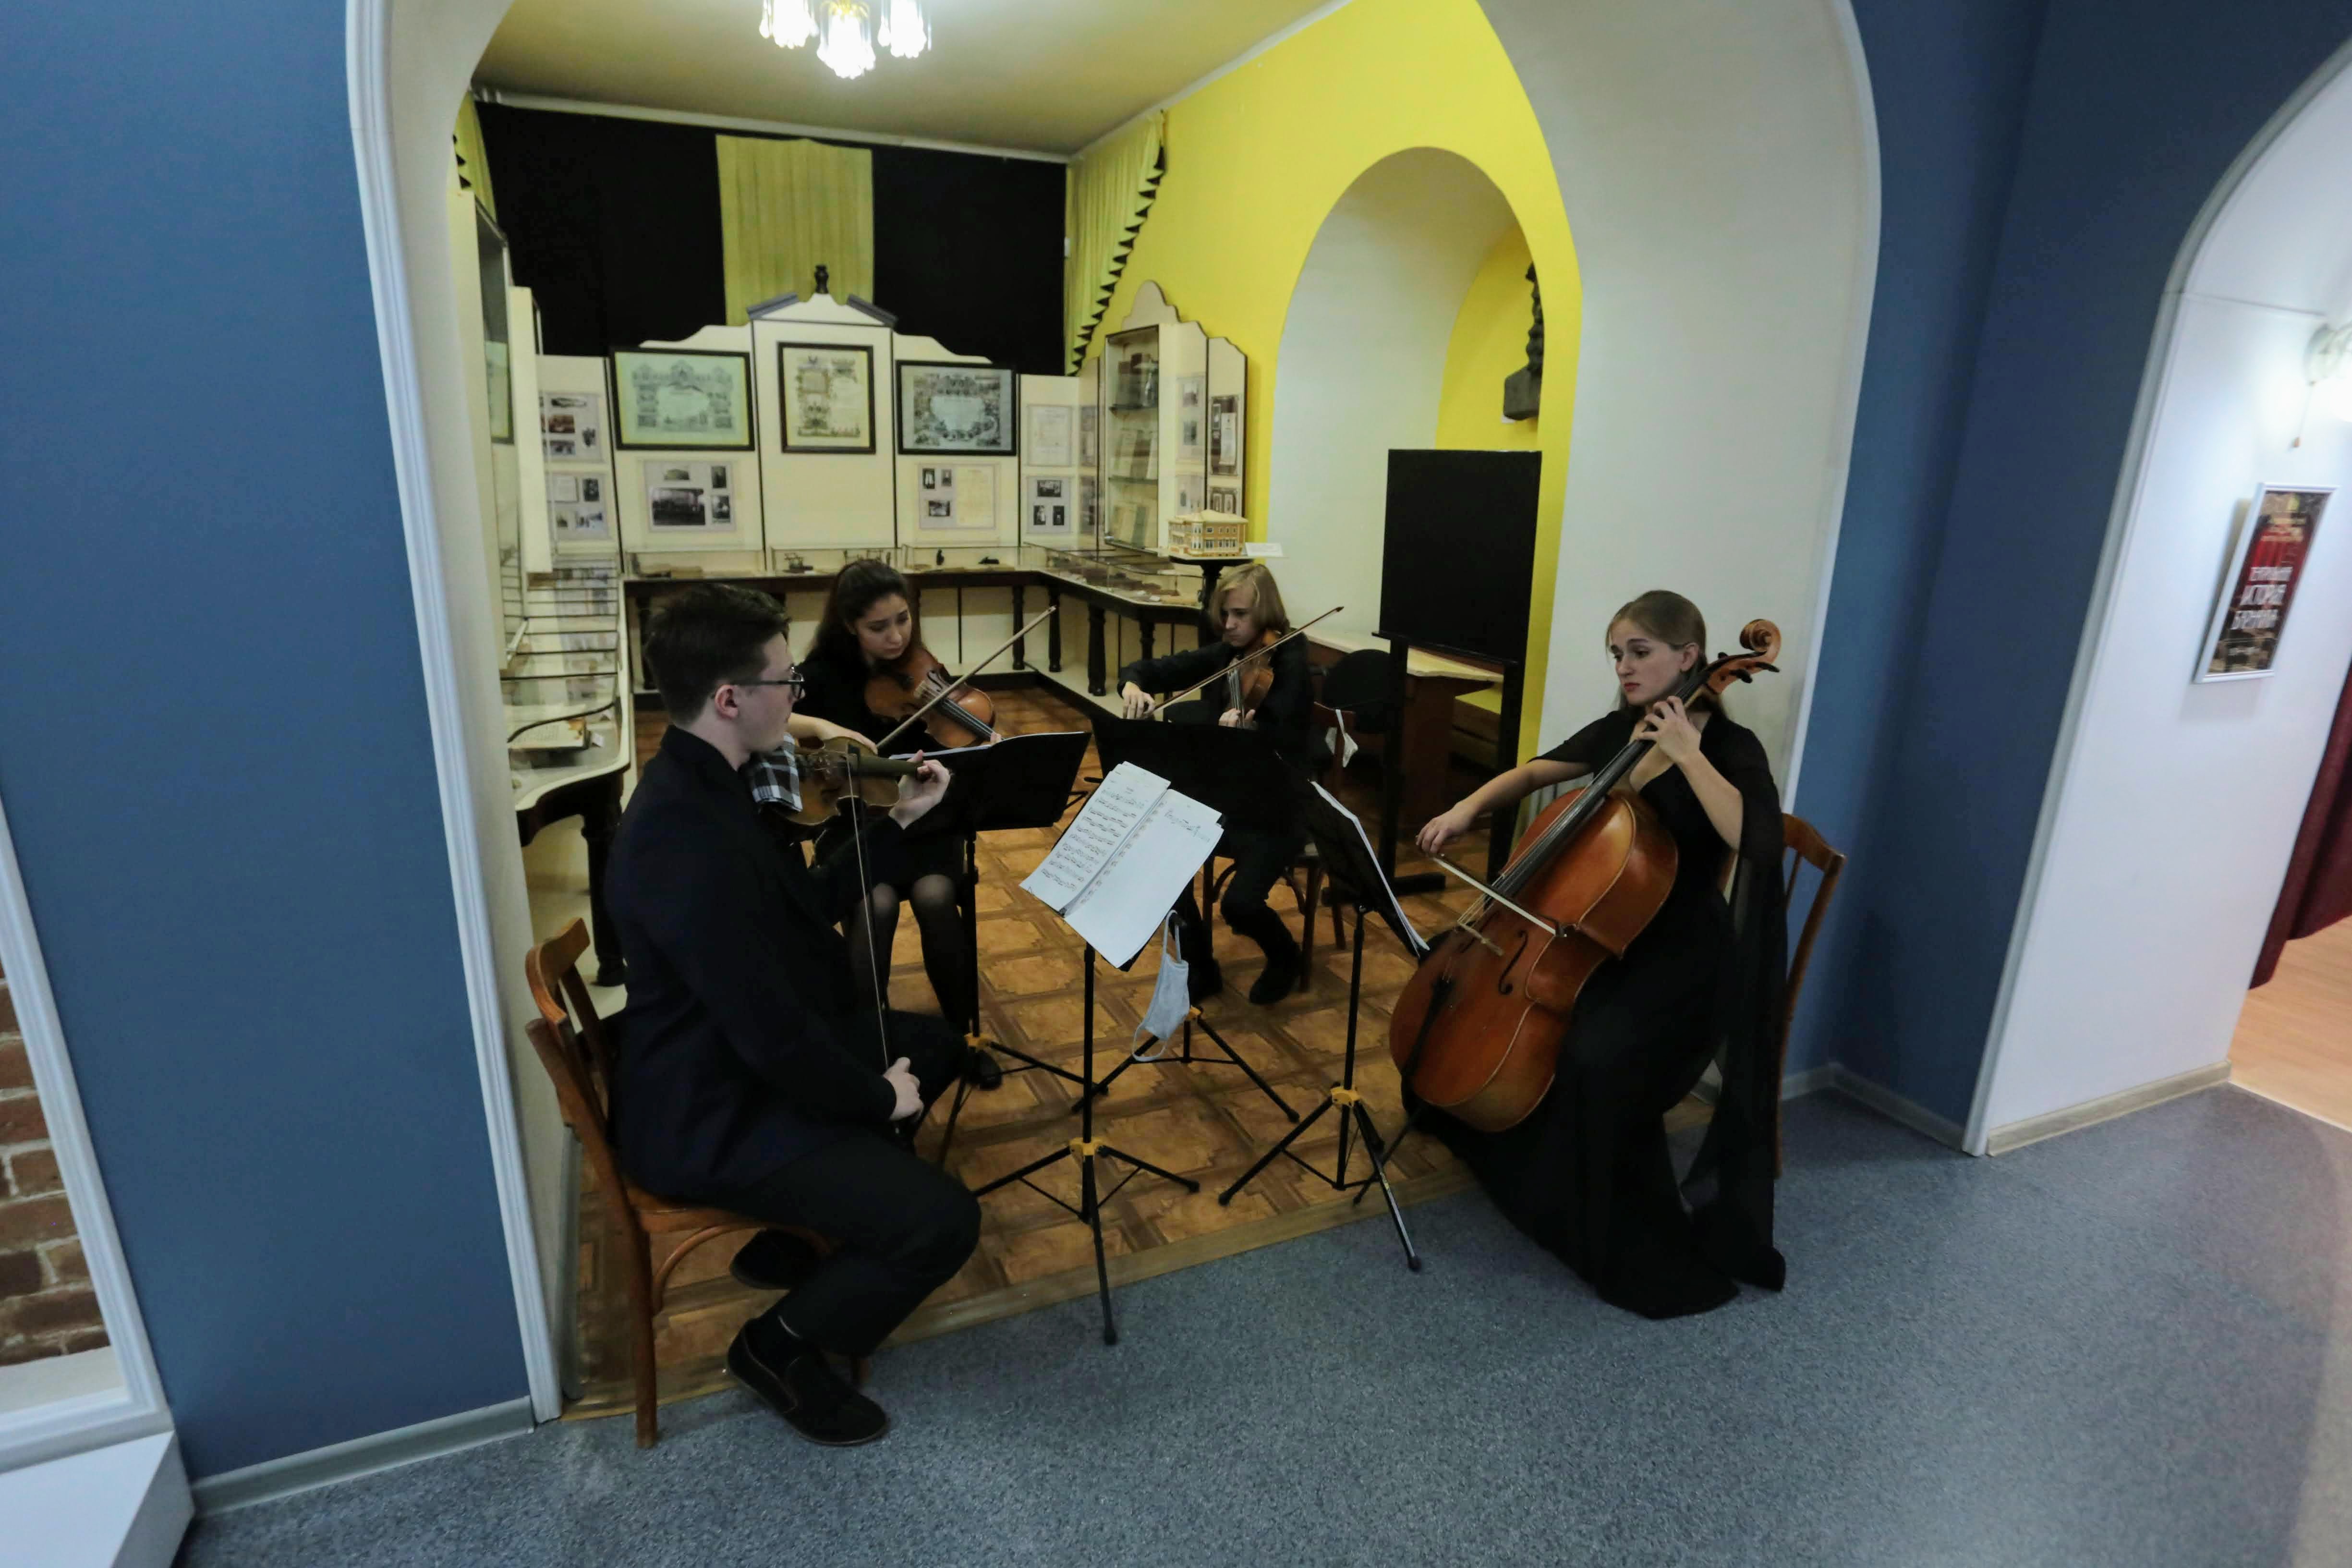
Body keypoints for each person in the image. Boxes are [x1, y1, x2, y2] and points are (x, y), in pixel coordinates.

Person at [606, 583, 997, 1446]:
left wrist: (895, 823)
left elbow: (803, 910)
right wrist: (875, 1098)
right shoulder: (684, 841)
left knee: (932, 1045)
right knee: (944, 1221)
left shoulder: (709, 783)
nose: (797, 696)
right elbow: (772, 1036)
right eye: (785, 682)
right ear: (729, 699)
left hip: (735, 1061)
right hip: (709, 1112)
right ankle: (776, 1346)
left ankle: (804, 1233)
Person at [1413, 590, 1787, 1319]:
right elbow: (1533, 773)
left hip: (1682, 957)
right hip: (1609, 938)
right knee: (1504, 1011)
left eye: (1639, 652)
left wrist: (1688, 754)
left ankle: (1611, 1226)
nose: (1623, 667)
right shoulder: (1625, 729)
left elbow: (1757, 841)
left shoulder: (1730, 746)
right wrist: (1464, 808)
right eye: (1617, 654)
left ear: (1689, 657)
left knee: (1593, 1055)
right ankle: (1538, 1179)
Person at [1117, 562, 1321, 1004]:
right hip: (1226, 798)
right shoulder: (1228, 653)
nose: (1228, 624)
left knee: (1239, 905)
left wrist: (1252, 732)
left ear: (1265, 613)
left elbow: (1288, 735)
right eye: (1225, 614)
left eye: (1240, 615)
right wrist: (1133, 684)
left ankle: (1286, 956)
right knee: (1160, 867)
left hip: (1278, 807)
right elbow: (1156, 668)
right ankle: (1200, 965)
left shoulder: (1290, 658)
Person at [794, 561, 977, 1029]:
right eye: (878, 627)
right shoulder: (819, 675)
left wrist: (973, 735)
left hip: (922, 817)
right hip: (855, 822)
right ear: (849, 624)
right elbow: (774, 716)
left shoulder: (920, 668)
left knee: (936, 895)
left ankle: (964, 1034)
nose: (896, 637)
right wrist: (821, 725)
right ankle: (867, 1033)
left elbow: (955, 740)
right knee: (874, 903)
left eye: (903, 619)